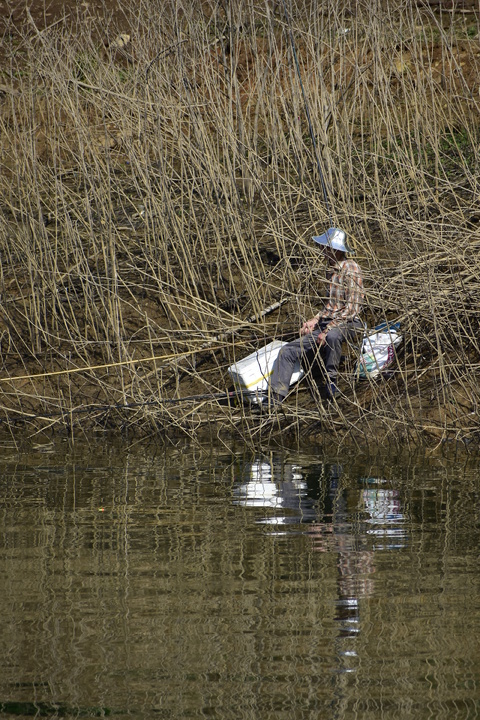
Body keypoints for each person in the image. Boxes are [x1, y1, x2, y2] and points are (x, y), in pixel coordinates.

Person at [266, 227, 364, 405]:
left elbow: (351, 309)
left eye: (324, 247)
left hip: (349, 323)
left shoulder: (351, 268)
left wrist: (327, 329)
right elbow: (330, 306)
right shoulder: (330, 271)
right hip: (328, 322)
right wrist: (315, 320)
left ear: (334, 249)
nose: (321, 251)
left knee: (333, 337)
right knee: (286, 351)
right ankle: (275, 398)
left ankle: (331, 381)